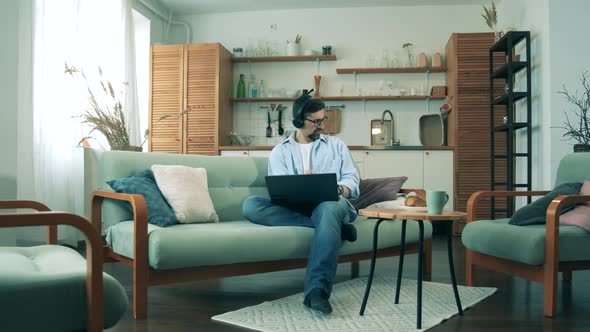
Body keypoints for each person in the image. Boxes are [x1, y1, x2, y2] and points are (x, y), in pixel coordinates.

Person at [242, 93, 360, 314]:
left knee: (328, 208)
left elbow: (352, 182)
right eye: (316, 122)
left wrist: (335, 189)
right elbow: (280, 191)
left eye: (323, 120)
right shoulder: (281, 151)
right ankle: (334, 228)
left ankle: (317, 291)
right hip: (297, 209)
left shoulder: (336, 145)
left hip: (332, 203)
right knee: (251, 205)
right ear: (298, 121)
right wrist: (302, 187)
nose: (322, 126)